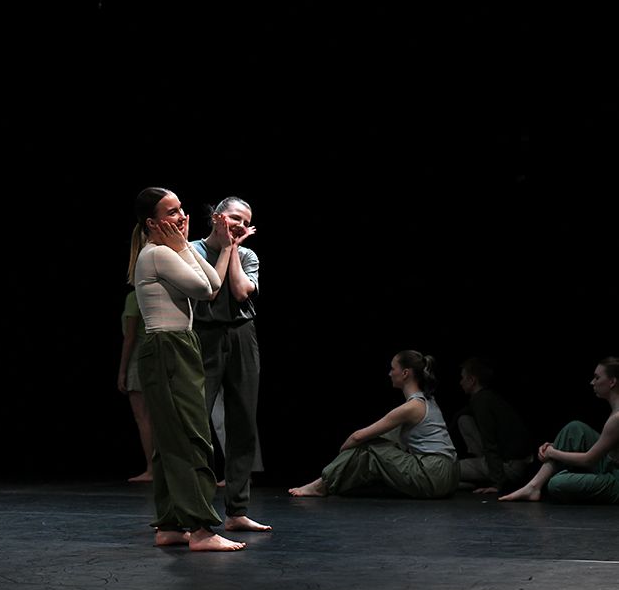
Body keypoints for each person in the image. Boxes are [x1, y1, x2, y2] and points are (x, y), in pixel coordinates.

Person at [128, 187, 245, 551]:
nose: (181, 217)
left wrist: (184, 248)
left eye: (181, 209)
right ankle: (201, 530)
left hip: (175, 344)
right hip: (169, 347)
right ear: (152, 223)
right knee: (192, 437)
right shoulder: (159, 254)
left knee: (170, 439)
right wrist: (182, 247)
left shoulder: (165, 252)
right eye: (171, 212)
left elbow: (213, 283)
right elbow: (205, 289)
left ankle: (170, 525)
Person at [190, 197, 270, 531]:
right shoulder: (192, 250)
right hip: (204, 335)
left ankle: (237, 511)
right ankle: (191, 510)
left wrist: (233, 247)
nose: (240, 225)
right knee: (195, 422)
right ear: (216, 217)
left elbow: (239, 291)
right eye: (235, 218)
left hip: (241, 335)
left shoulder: (248, 255)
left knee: (242, 421)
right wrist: (224, 246)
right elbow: (209, 289)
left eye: (246, 222)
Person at [289, 351, 459, 498]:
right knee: (384, 439)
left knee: (369, 447)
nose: (390, 373)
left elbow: (358, 437)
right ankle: (329, 482)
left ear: (405, 373)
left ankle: (320, 486)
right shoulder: (428, 401)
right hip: (451, 475)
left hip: (433, 475)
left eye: (393, 368)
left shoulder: (411, 407)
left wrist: (344, 452)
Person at [500, 357, 619, 504]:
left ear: (612, 382)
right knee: (575, 428)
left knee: (557, 484)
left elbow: (589, 460)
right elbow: (604, 447)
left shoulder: (617, 418)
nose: (592, 382)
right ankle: (533, 486)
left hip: (617, 479)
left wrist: (553, 452)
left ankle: (536, 486)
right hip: (610, 464)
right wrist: (556, 447)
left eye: (597, 377)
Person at [454, 357, 535, 494]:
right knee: (464, 420)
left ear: (472, 380)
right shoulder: (487, 398)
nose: (460, 382)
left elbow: (490, 443)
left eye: (463, 378)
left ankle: (487, 479)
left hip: (509, 467)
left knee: (448, 470)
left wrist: (497, 485)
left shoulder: (482, 402)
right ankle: (475, 480)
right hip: (510, 463)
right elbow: (463, 414)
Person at [118, 289, 154, 482]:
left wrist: (122, 370)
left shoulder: (135, 296)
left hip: (139, 356)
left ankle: (152, 468)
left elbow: (130, 336)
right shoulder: (157, 293)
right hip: (156, 354)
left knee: (143, 417)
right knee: (157, 417)